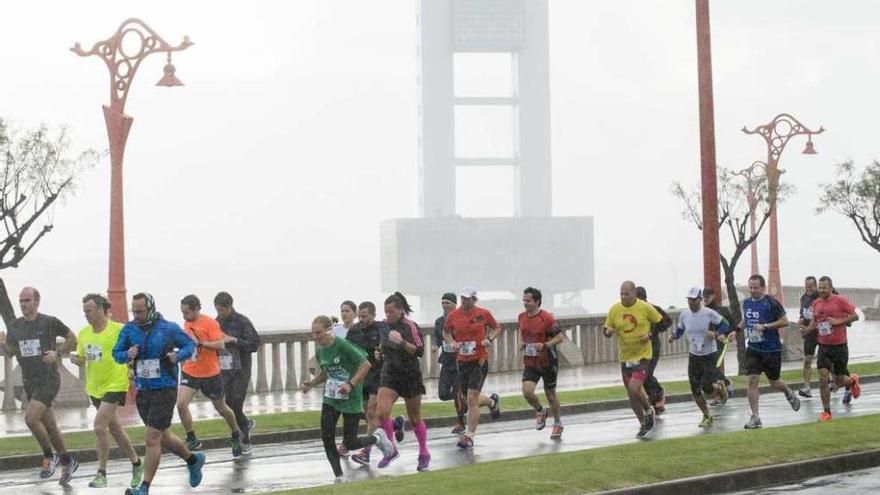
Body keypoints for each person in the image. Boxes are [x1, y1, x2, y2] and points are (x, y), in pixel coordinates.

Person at [112, 293, 205, 495]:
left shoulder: (168, 328)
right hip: (143, 390)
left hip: (165, 388)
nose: (136, 315)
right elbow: (116, 353)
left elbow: (190, 345)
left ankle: (144, 488)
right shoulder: (129, 330)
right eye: (134, 311)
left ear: (151, 308)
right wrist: (127, 354)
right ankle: (193, 460)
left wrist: (177, 356)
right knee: (163, 437)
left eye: (140, 311)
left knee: (152, 438)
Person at [301, 315, 395, 481]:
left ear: (329, 330)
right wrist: (312, 383)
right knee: (327, 436)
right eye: (313, 333)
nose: (315, 337)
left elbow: (366, 364)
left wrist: (350, 384)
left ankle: (378, 438)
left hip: (350, 397)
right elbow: (327, 371)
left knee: (350, 443)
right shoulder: (321, 350)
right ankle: (339, 477)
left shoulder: (343, 346)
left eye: (318, 333)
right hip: (331, 398)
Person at [0, 287, 79, 484]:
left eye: (27, 300)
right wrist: (2, 344)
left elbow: (72, 338)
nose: (24, 304)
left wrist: (57, 353)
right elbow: (10, 351)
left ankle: (49, 457)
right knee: (50, 426)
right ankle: (67, 461)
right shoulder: (15, 326)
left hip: (49, 379)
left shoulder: (49, 322)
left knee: (30, 418)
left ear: (36, 302)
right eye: (21, 301)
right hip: (30, 381)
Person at [71, 294, 143, 488]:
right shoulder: (84, 333)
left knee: (98, 426)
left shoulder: (119, 329)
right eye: (84, 311)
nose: (86, 314)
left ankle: (101, 473)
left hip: (116, 383)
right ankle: (137, 463)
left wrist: (131, 366)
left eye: (90, 310)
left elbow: (136, 347)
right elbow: (83, 357)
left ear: (102, 309)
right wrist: (77, 359)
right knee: (116, 429)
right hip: (95, 387)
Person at [176, 295, 244, 456]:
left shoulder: (210, 323)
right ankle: (192, 438)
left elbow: (221, 345)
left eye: (186, 313)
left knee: (221, 407)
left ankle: (236, 433)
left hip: (210, 373)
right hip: (190, 370)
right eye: (182, 313)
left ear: (196, 309)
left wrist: (201, 344)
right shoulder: (187, 323)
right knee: (181, 404)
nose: (184, 316)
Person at [732, 275, 801, 429]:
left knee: (774, 382)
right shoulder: (747, 303)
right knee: (752, 380)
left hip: (771, 349)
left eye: (756, 287)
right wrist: (736, 331)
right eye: (750, 287)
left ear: (763, 288)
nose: (752, 290)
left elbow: (784, 321)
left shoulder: (771, 303)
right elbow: (746, 320)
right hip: (754, 349)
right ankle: (755, 417)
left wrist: (766, 326)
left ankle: (788, 392)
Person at [374, 292, 431, 471]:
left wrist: (403, 343)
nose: (388, 315)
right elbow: (382, 343)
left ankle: (423, 453)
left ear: (400, 311)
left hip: (410, 375)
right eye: (385, 311)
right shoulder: (383, 325)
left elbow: (420, 351)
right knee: (381, 413)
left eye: (391, 311)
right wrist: (379, 352)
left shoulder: (410, 326)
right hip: (390, 374)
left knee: (414, 418)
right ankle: (391, 450)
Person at [443, 287, 503, 449]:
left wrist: (489, 339)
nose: (464, 302)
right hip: (462, 360)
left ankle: (469, 436)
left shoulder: (483, 313)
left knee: (470, 399)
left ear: (474, 300)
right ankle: (491, 401)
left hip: (479, 360)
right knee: (467, 398)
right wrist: (452, 343)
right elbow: (446, 332)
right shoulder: (453, 315)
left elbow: (497, 328)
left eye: (468, 299)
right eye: (462, 298)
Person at [603, 281, 663, 439]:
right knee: (632, 396)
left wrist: (649, 335)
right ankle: (644, 424)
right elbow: (606, 328)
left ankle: (649, 410)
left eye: (626, 294)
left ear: (634, 294)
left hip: (643, 355)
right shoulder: (615, 309)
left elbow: (662, 322)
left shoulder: (644, 307)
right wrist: (608, 332)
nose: (623, 297)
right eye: (621, 294)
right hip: (625, 357)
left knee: (635, 388)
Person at [668, 288, 731, 427]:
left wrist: (716, 333)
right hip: (694, 356)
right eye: (689, 300)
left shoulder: (709, 313)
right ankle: (707, 415)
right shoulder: (685, 315)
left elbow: (725, 324)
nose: (691, 303)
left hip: (709, 355)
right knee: (695, 388)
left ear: (700, 299)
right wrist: (673, 336)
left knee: (707, 388)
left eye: (694, 300)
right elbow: (680, 329)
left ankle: (720, 388)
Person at [346, 301, 398, 466]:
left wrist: (382, 351)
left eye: (365, 316)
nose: (362, 319)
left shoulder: (381, 328)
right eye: (360, 316)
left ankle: (366, 452)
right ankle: (396, 424)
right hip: (362, 376)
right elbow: (348, 351)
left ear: (373, 315)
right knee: (368, 413)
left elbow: (390, 345)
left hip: (380, 374)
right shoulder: (354, 331)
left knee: (371, 412)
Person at [803, 276, 862, 421]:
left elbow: (856, 316)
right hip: (823, 346)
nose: (822, 290)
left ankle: (853, 381)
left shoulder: (840, 300)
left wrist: (838, 321)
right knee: (823, 378)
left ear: (830, 288)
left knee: (839, 380)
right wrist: (807, 330)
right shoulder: (815, 303)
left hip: (839, 346)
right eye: (820, 288)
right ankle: (826, 412)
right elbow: (815, 321)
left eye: (825, 288)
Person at [215, 292, 261, 453]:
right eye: (217, 310)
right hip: (224, 369)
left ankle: (245, 439)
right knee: (228, 405)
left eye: (222, 310)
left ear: (229, 307)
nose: (219, 313)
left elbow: (255, 344)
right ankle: (244, 425)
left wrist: (235, 341)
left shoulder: (242, 321)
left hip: (241, 369)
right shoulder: (215, 323)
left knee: (236, 402)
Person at [518, 287, 564, 439]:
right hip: (531, 361)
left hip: (548, 361)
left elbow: (560, 337)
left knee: (550, 394)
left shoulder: (547, 318)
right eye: (524, 300)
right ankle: (540, 410)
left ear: (537, 301)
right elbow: (521, 329)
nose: (525, 303)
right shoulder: (522, 316)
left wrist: (545, 345)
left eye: (528, 301)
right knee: (527, 390)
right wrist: (521, 342)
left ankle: (557, 423)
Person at [433, 292, 466, 434]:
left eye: (448, 303)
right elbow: (438, 338)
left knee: (457, 394)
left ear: (454, 304)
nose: (445, 306)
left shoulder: (462, 318)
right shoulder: (439, 321)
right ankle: (468, 400)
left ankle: (461, 423)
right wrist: (436, 345)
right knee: (443, 393)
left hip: (460, 362)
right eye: (443, 303)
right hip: (446, 362)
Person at [635, 286, 672, 413]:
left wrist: (652, 333)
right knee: (642, 376)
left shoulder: (653, 309)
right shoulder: (634, 311)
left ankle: (658, 394)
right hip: (639, 348)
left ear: (643, 298)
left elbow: (667, 321)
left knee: (647, 374)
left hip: (653, 345)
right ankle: (656, 402)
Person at [702, 287, 735, 402]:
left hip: (720, 342)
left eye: (708, 296)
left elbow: (732, 325)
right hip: (706, 344)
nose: (705, 298)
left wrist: (723, 334)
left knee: (712, 366)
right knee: (707, 369)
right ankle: (724, 384)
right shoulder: (701, 311)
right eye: (703, 296)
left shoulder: (723, 310)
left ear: (713, 296)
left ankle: (720, 392)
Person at [797, 276, 821, 398]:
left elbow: (819, 318)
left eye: (811, 286)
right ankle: (807, 387)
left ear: (815, 285)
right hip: (809, 334)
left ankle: (834, 379)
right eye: (806, 286)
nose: (808, 288)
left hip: (821, 332)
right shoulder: (804, 298)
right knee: (807, 360)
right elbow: (803, 314)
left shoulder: (820, 297)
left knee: (827, 360)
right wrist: (800, 321)